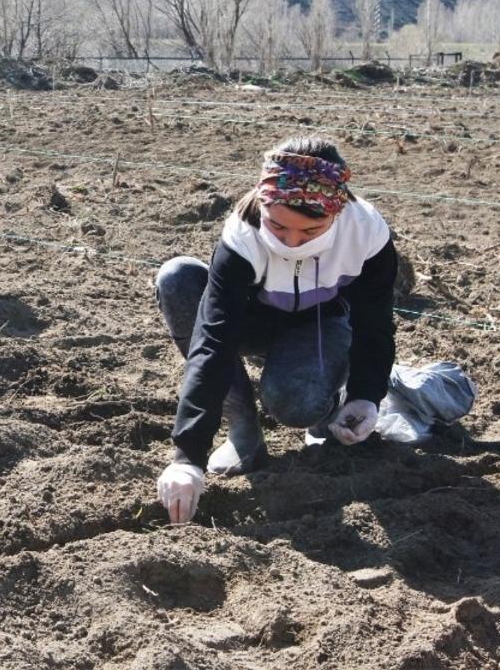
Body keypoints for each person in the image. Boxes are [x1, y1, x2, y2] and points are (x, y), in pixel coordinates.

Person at [154, 136, 398, 525]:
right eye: (278, 226)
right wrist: (188, 457)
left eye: (310, 232)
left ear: (336, 214)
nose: (290, 243)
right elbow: (213, 341)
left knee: (296, 404)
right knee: (177, 279)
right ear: (263, 202)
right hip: (253, 320)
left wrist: (365, 395)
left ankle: (327, 407)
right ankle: (243, 433)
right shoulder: (243, 233)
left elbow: (375, 321)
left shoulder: (365, 231)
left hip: (320, 324)